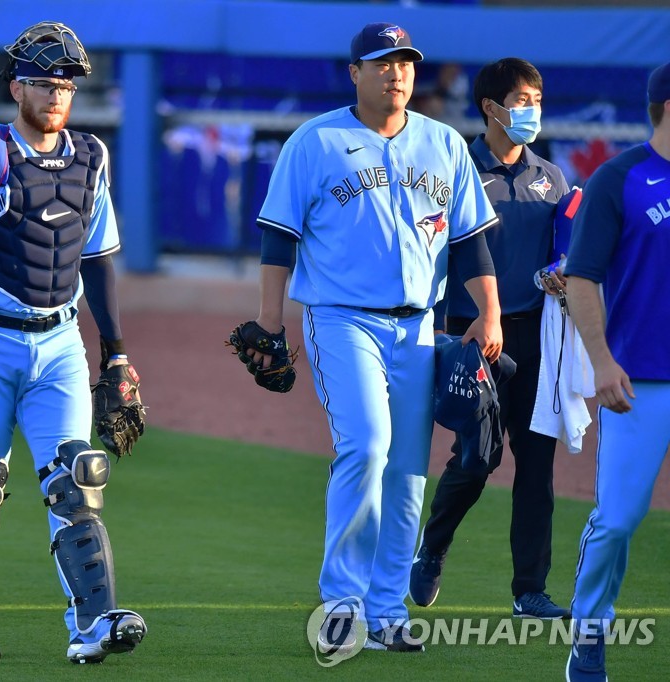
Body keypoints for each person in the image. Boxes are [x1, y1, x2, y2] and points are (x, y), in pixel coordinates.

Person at [241, 22, 501, 656]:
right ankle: (343, 603)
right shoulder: (315, 141)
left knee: (409, 470)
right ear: (354, 71)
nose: (398, 73)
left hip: (420, 326)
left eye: (406, 62)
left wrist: (489, 312)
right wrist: (271, 321)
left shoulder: (443, 143)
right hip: (341, 318)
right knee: (367, 445)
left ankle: (386, 610)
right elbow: (279, 238)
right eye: (383, 62)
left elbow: (470, 241)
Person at [0, 21, 146, 664]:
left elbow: (100, 259)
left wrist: (118, 352)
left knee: (78, 477)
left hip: (61, 345)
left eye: (67, 85)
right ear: (17, 85)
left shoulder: (92, 157)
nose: (57, 95)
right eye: (46, 83)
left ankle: (93, 623)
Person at [409, 58, 573, 620]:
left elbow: (565, 253)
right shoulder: (453, 169)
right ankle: (432, 547)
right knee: (477, 459)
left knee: (537, 468)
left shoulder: (553, 179)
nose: (532, 110)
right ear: (491, 106)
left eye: (537, 98)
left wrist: (562, 273)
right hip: (470, 336)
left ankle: (530, 590)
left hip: (536, 340)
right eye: (522, 99)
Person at [563, 61, 670, 682]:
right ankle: (590, 632)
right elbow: (582, 277)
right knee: (618, 520)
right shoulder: (619, 179)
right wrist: (601, 361)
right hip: (640, 383)